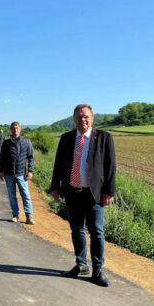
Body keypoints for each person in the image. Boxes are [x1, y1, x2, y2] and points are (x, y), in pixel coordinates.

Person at [51, 104, 116, 287]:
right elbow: (59, 164)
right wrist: (55, 187)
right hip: (72, 192)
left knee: (96, 231)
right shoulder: (66, 138)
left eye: (86, 116)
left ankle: (97, 269)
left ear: (92, 118)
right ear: (74, 119)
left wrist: (109, 191)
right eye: (79, 117)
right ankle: (81, 264)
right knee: (77, 229)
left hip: (94, 193)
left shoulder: (104, 138)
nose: (83, 120)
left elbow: (111, 167)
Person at [0, 122, 35, 225]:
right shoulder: (6, 143)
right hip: (9, 174)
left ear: (20, 129)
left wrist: (30, 171)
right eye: (13, 128)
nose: (15, 130)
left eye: (17, 128)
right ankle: (15, 215)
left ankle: (29, 216)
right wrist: (1, 171)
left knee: (26, 195)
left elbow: (31, 157)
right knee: (12, 195)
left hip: (21, 174)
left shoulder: (26, 142)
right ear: (10, 130)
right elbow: (2, 158)